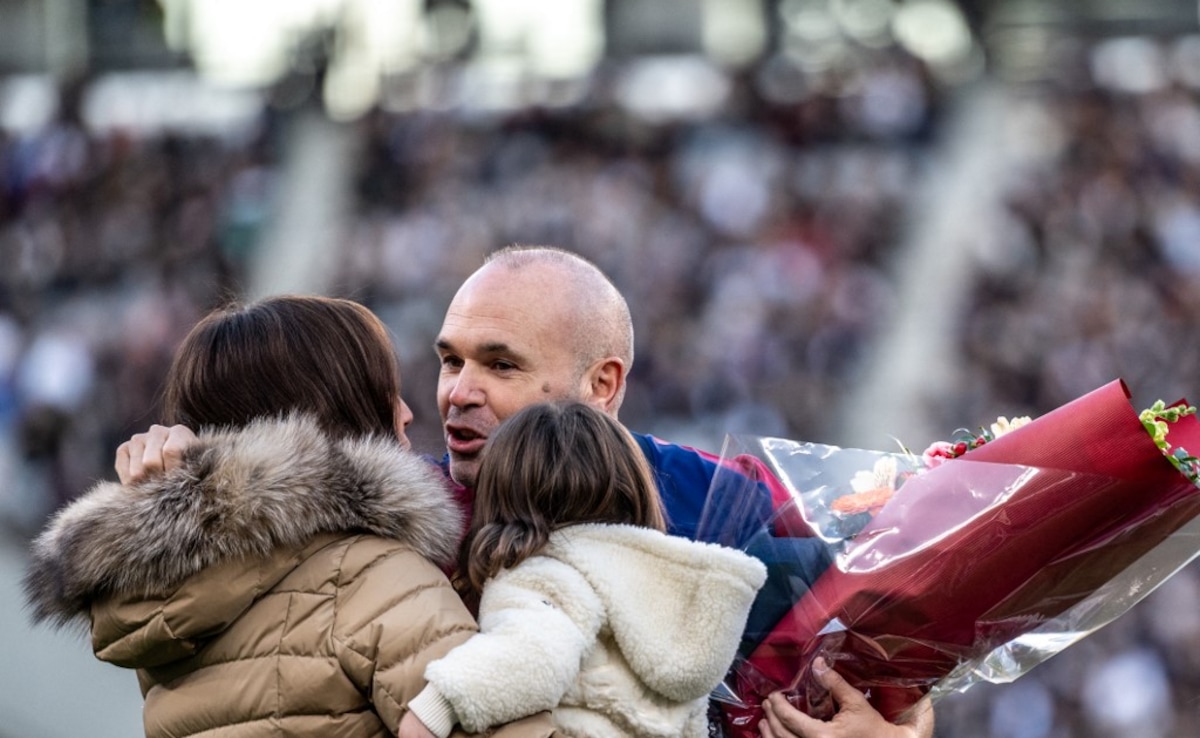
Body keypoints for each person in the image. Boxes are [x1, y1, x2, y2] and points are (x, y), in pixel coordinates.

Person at [118, 247, 936, 738]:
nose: (455, 394)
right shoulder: (389, 531)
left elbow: (872, 671)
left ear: (602, 384)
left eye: (499, 365)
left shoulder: (721, 506)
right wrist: (188, 484)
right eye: (449, 360)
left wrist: (900, 722)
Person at [24, 295, 553, 738]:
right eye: (380, 391)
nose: (408, 411)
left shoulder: (172, 588)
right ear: (333, 413)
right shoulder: (369, 577)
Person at [395, 400, 767, 737]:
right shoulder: (667, 588)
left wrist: (434, 710)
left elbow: (533, 655)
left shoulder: (546, 575)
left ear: (500, 498)